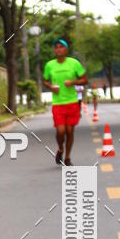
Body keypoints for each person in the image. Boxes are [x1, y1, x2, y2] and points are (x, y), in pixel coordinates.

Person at [43, 38, 87, 166]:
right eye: (56, 47)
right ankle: (60, 149)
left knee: (70, 131)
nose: (58, 49)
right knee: (61, 131)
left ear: (66, 50)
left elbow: (85, 80)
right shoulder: (50, 65)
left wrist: (73, 82)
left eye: (61, 47)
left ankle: (67, 157)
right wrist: (51, 87)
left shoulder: (74, 63)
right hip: (58, 103)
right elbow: (45, 80)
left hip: (72, 102)